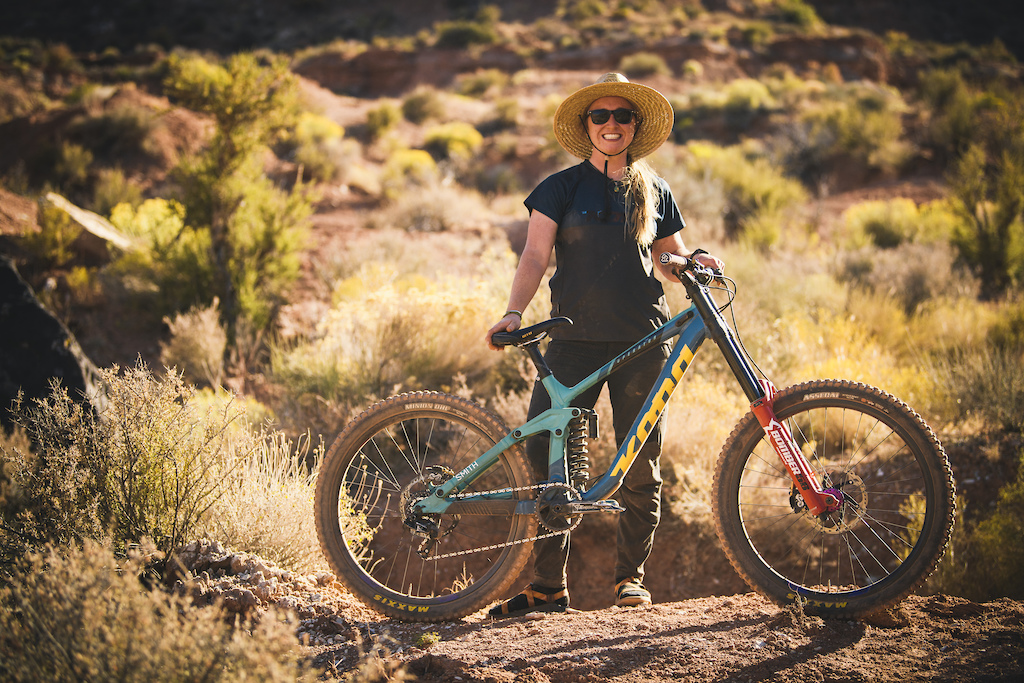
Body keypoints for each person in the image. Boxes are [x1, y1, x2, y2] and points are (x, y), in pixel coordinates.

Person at [484, 73, 723, 617]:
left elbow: (668, 260)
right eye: (601, 116)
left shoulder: (654, 189)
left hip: (643, 340)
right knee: (549, 459)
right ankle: (546, 588)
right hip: (570, 342)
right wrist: (514, 312)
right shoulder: (559, 188)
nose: (612, 124)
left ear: (635, 126)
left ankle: (629, 582)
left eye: (622, 116)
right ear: (587, 126)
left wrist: (693, 262)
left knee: (640, 465)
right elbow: (534, 258)